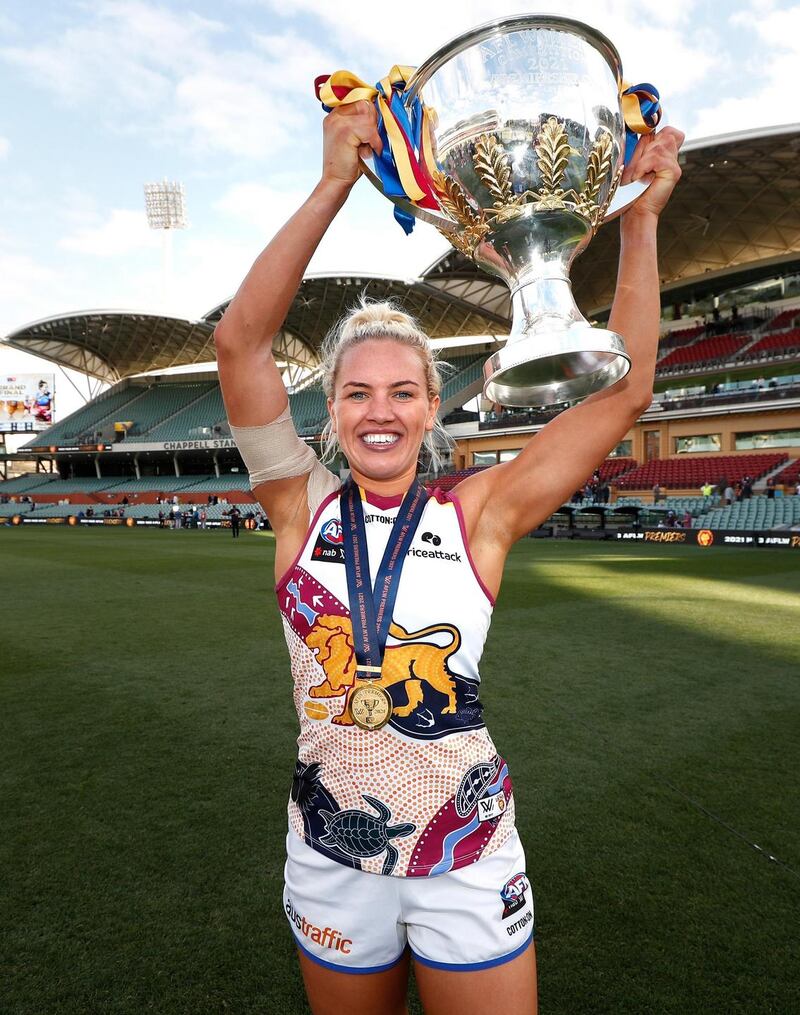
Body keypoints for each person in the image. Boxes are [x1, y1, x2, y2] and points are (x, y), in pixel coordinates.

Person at [214, 97, 683, 1014]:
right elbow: (240, 342)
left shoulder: (480, 512)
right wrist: (331, 185)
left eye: (401, 392)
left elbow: (623, 397)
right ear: (333, 413)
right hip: (331, 850)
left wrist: (642, 225)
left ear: (433, 409)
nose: (379, 410)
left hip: (466, 856)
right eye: (356, 393)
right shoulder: (295, 505)